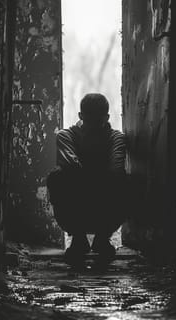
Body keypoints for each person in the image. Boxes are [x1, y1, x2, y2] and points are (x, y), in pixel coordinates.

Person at [47, 93, 128, 267]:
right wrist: (96, 173)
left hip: (101, 199)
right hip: (82, 197)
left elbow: (116, 170)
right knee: (58, 177)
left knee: (124, 180)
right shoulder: (66, 135)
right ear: (81, 117)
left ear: (106, 118)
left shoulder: (116, 137)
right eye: (89, 120)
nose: (93, 127)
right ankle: (79, 237)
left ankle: (102, 237)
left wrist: (89, 175)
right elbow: (72, 167)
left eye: (97, 121)